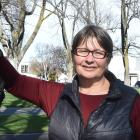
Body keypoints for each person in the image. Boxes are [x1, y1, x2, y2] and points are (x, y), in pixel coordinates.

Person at [0, 24, 140, 140]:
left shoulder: (132, 101)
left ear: (108, 58)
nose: (89, 59)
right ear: (73, 55)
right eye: (82, 51)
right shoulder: (56, 95)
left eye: (98, 52)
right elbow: (16, 82)